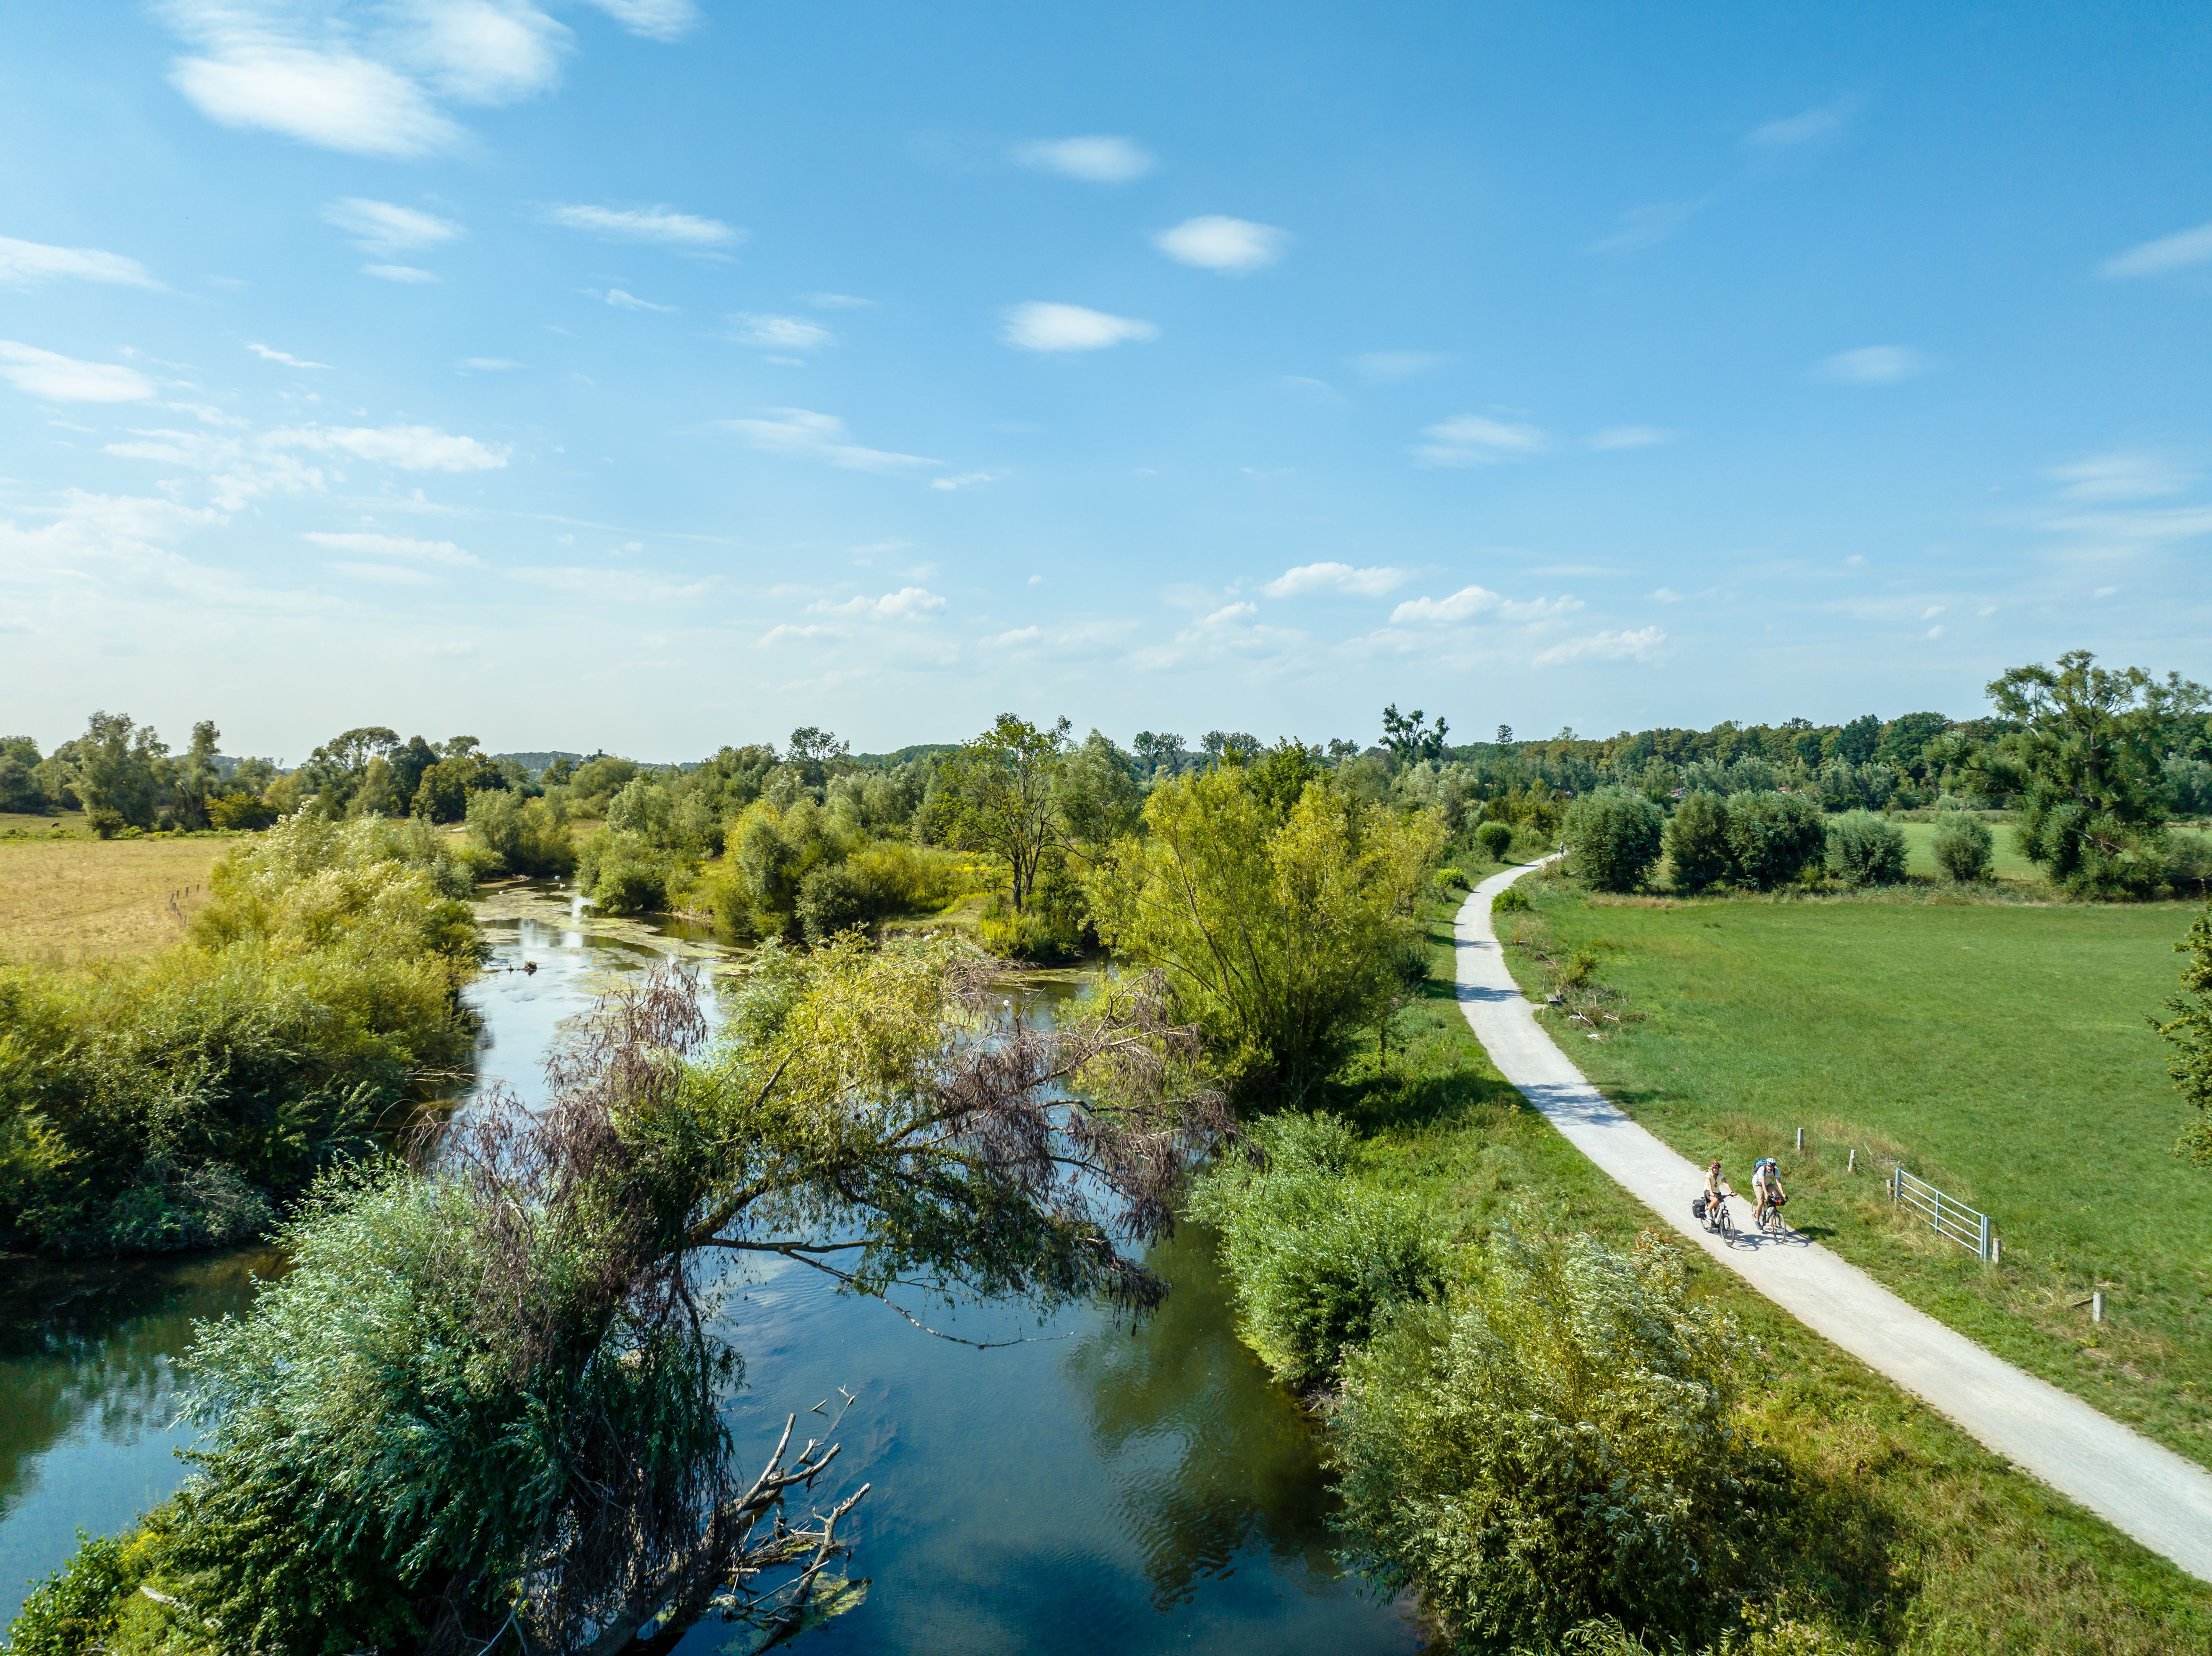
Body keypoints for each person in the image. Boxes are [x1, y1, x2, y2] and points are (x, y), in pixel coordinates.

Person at [1750, 1157, 1786, 1227]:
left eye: (1772, 1167)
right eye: (1769, 1166)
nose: (1770, 1168)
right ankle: (1757, 1221)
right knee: (1761, 1202)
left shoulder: (1776, 1170)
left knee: (1777, 1196)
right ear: (1767, 1165)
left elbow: (1779, 1182)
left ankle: (1770, 1210)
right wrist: (1766, 1194)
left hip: (1768, 1184)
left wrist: (1783, 1194)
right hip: (1758, 1184)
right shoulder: (1762, 1170)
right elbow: (1763, 1183)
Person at [1701, 1159, 1732, 1231]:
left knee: (1721, 1205)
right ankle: (1708, 1211)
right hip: (1708, 1191)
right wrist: (1711, 1193)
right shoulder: (1709, 1175)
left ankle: (1718, 1224)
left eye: (1718, 1168)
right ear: (1712, 1169)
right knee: (1715, 1201)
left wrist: (1732, 1191)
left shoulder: (1721, 1175)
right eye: (1715, 1168)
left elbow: (1725, 1183)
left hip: (1717, 1192)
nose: (1717, 1170)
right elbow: (1709, 1185)